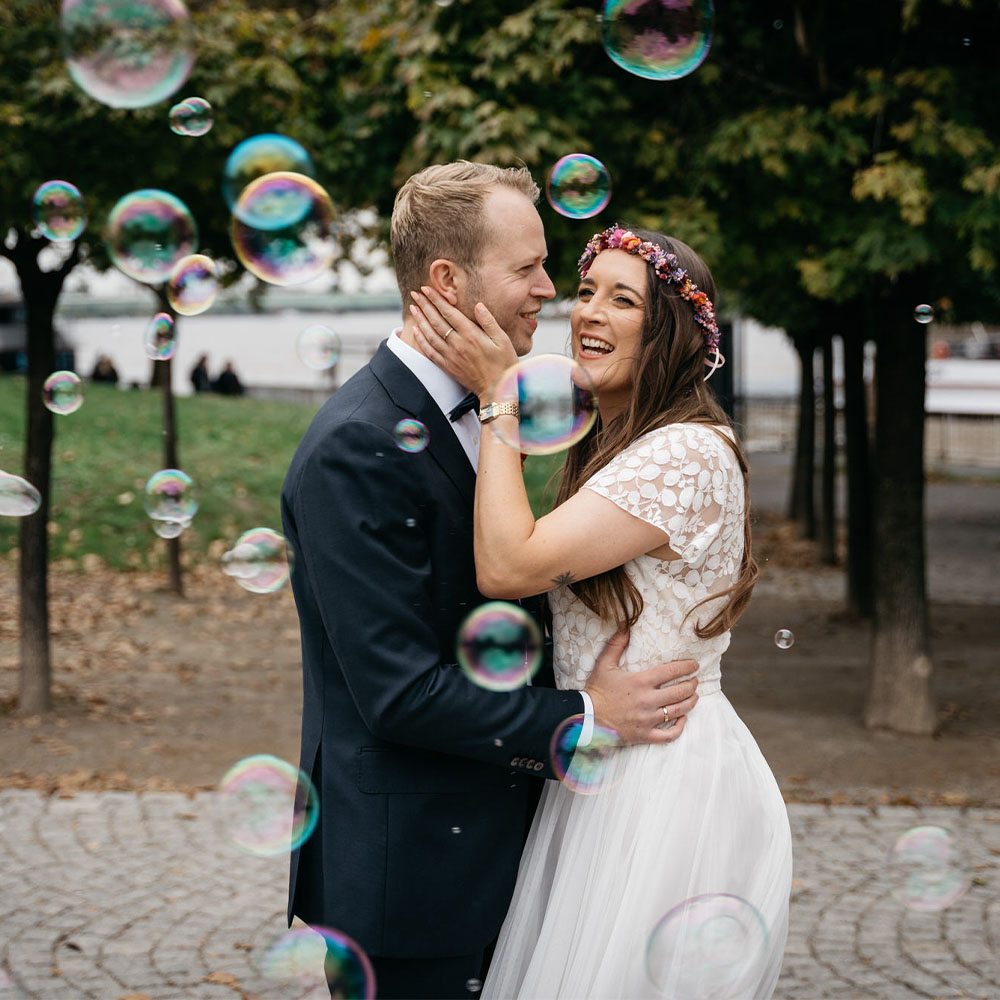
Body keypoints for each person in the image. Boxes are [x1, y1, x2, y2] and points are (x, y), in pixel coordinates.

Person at [280, 163, 701, 1000]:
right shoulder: (355, 446)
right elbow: (399, 692)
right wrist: (589, 714)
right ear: (447, 280)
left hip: (501, 854)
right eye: (527, 268)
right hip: (415, 879)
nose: (552, 290)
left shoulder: (490, 411)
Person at [409, 224, 793, 998]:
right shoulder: (619, 447)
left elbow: (508, 565)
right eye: (586, 291)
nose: (589, 312)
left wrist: (496, 401)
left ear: (672, 334)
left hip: (661, 783)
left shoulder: (684, 453)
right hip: (604, 759)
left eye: (624, 299)